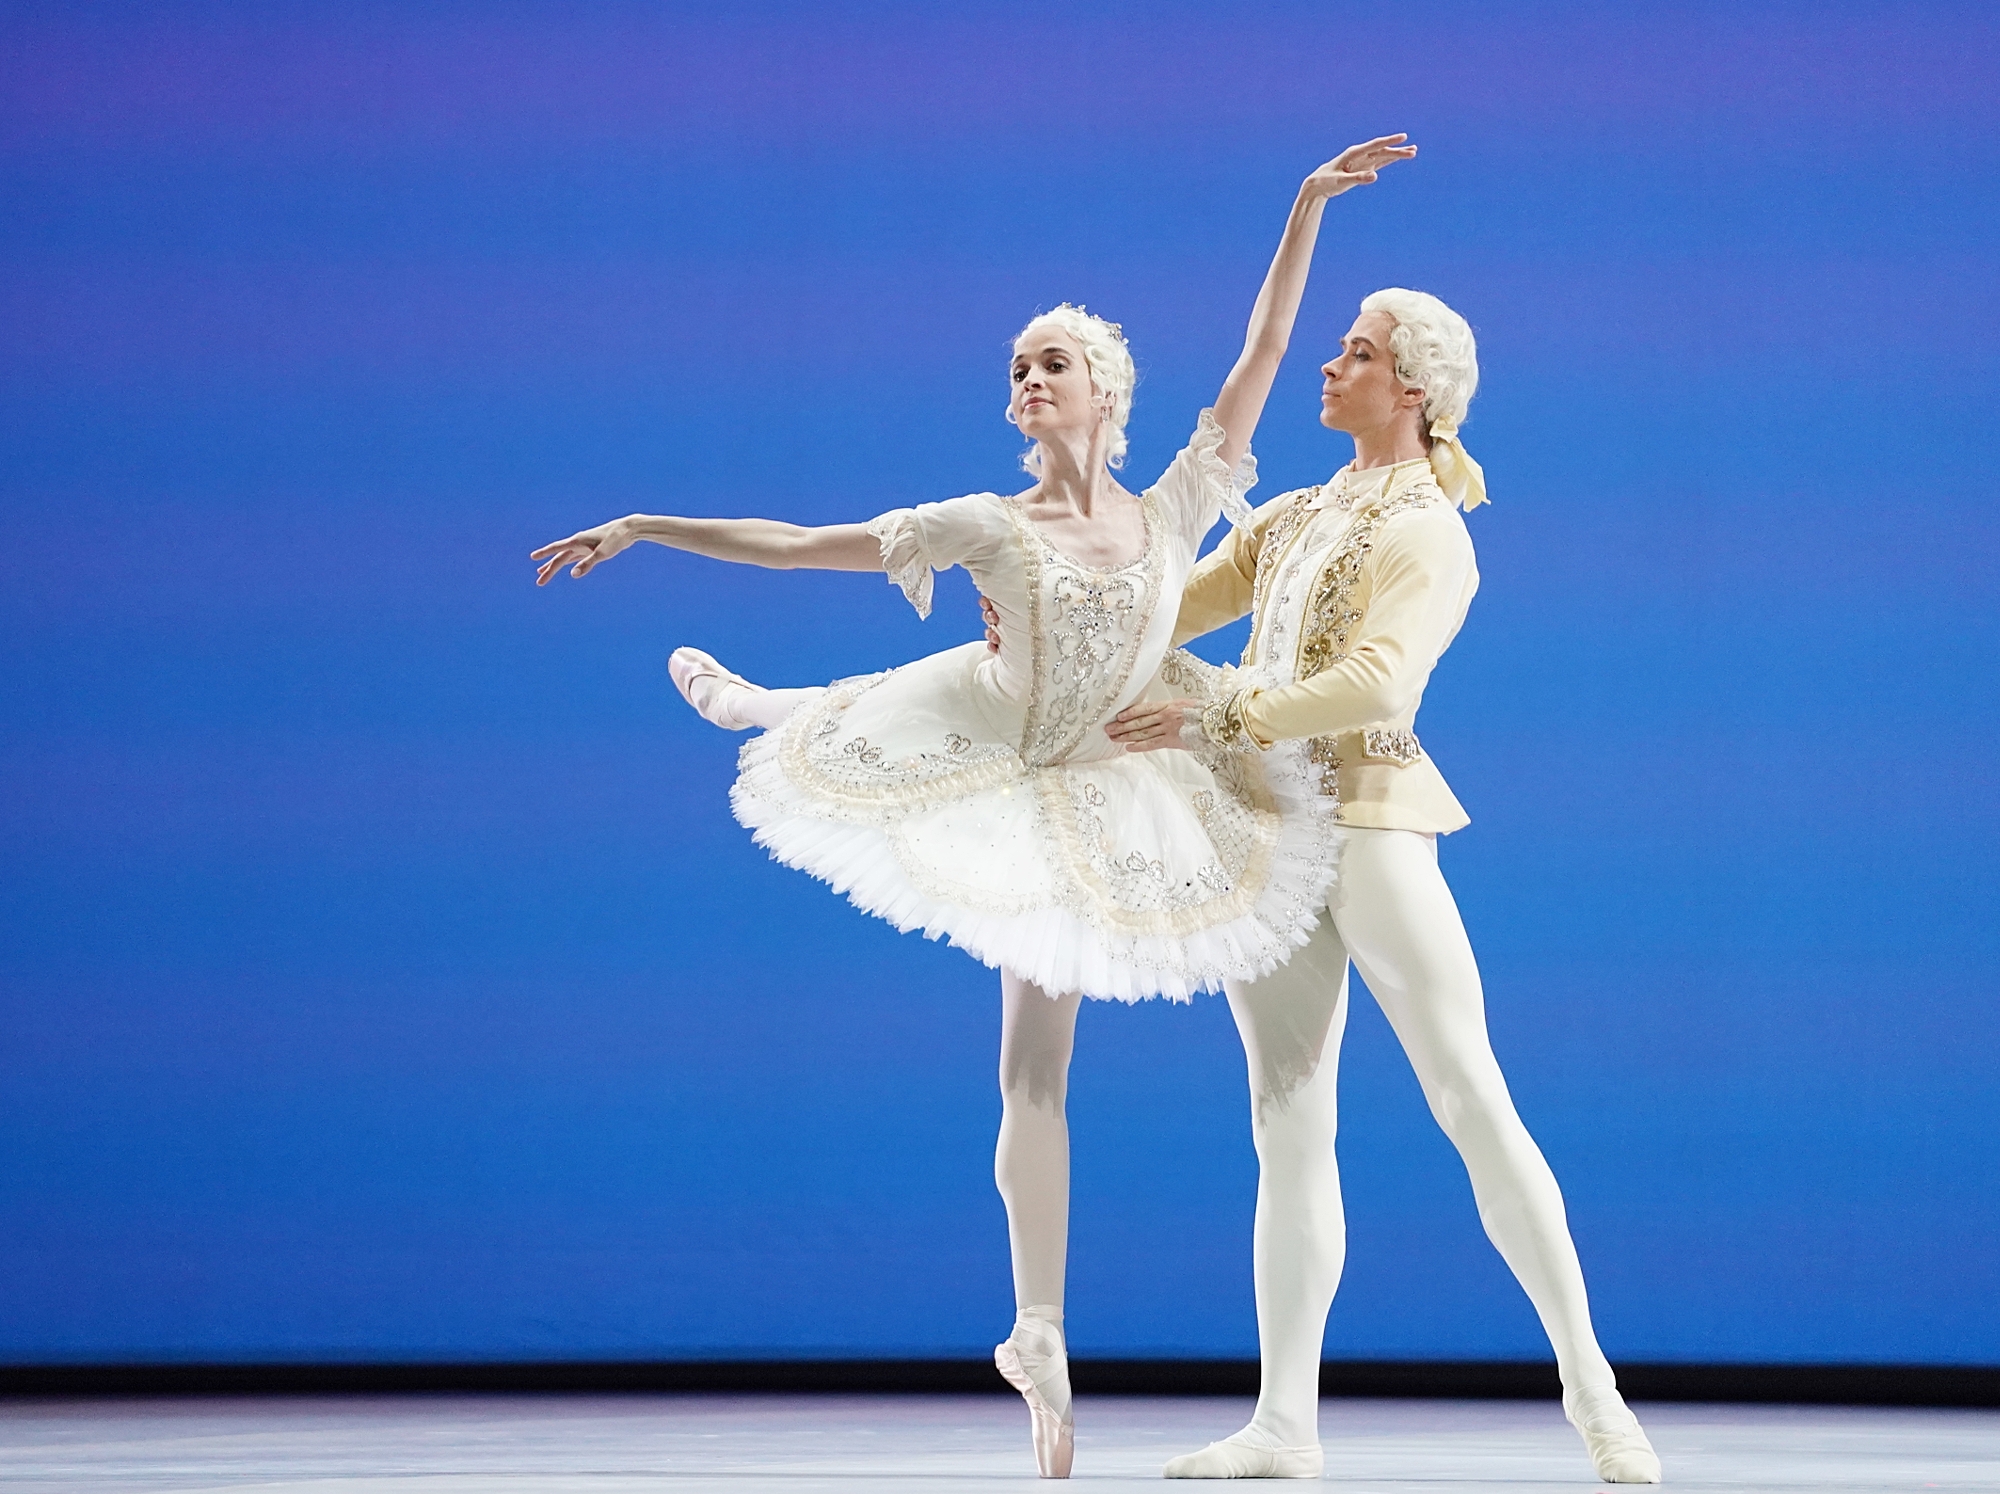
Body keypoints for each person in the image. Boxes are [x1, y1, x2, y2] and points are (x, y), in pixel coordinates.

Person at [529, 137, 1419, 1480]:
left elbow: (1264, 348)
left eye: (1051, 362)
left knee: (1035, 1061)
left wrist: (1304, 206)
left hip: (1117, 786)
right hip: (1011, 755)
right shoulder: (987, 524)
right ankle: (1040, 1325)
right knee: (1020, 1051)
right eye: (1016, 369)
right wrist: (649, 524)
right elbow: (807, 545)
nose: (1028, 379)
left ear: (1105, 390)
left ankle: (1035, 1336)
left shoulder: (1178, 502)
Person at [1101, 289, 1664, 1482]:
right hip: (1264, 831)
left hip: (1368, 822)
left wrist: (1216, 708)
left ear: (1410, 388)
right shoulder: (1295, 514)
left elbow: (1377, 683)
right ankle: (1282, 1422)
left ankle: (1590, 1385)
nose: (1328, 365)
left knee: (1466, 1094)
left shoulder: (1428, 529)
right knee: (1285, 1124)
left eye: (1353, 352)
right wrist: (1063, 619)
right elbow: (1162, 616)